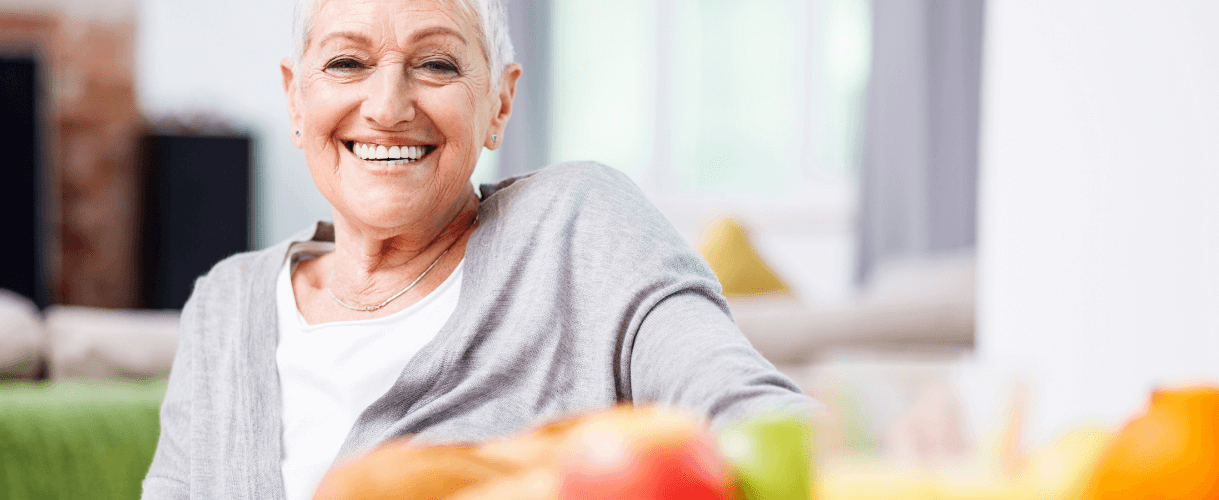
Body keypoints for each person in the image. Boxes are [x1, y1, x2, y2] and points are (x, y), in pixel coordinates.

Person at [141, 0, 818, 498]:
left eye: (436, 64)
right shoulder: (225, 302)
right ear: (296, 98)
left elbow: (754, 413)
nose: (387, 105)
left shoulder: (578, 225)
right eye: (347, 61)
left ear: (498, 102)